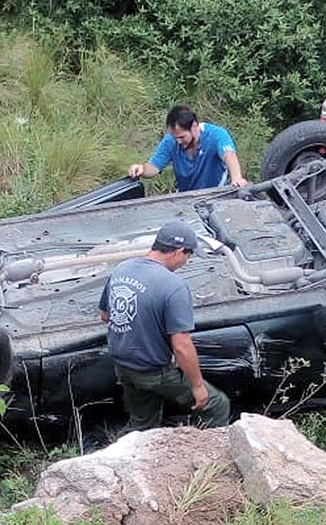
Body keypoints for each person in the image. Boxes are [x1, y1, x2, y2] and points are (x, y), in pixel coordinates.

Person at [98, 220, 231, 431]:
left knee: (142, 423)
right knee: (217, 405)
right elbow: (181, 346)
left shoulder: (122, 269)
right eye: (188, 255)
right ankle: (209, 457)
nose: (186, 262)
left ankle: (129, 457)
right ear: (178, 252)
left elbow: (105, 315)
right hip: (154, 372)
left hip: (124, 366)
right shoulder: (174, 287)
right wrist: (197, 386)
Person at [128, 104, 247, 191]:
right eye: (175, 138)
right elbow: (154, 167)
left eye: (182, 137)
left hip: (215, 195)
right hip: (185, 199)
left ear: (194, 127)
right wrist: (142, 169)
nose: (178, 141)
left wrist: (236, 178)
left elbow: (229, 155)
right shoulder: (170, 140)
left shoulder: (216, 135)